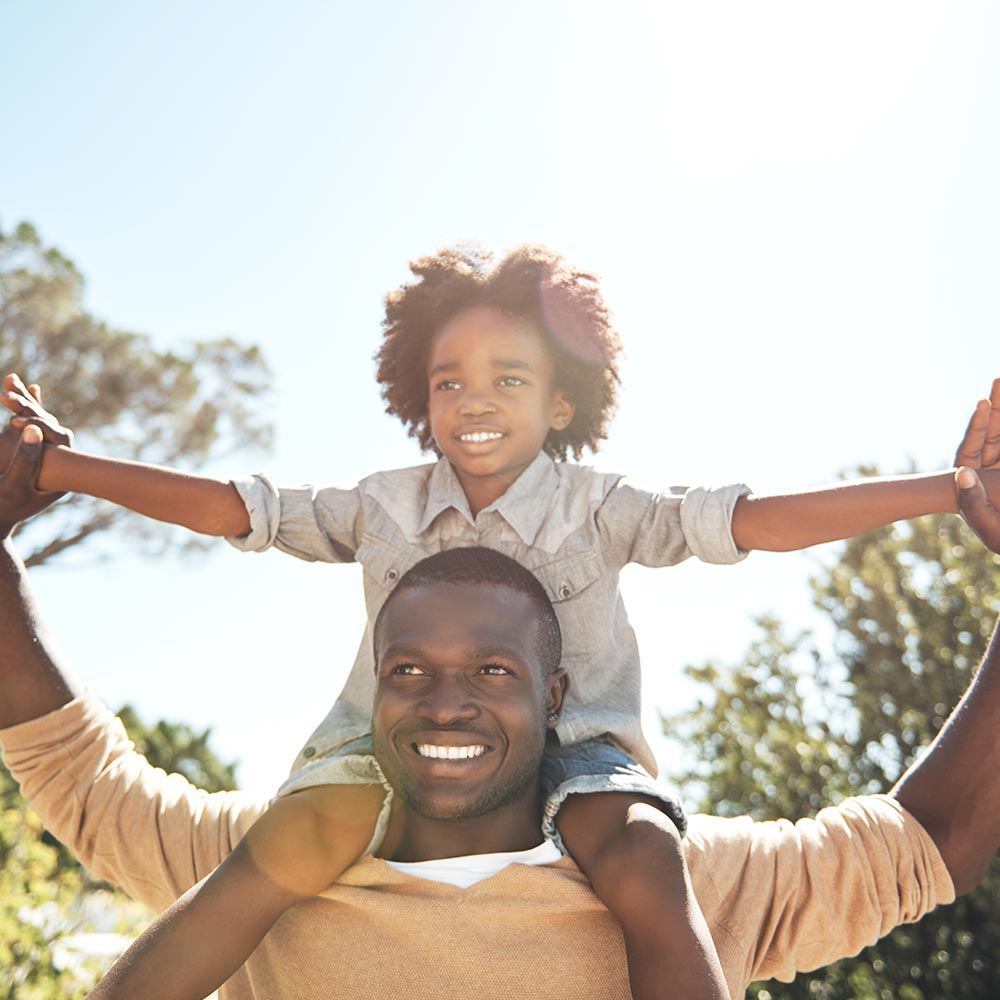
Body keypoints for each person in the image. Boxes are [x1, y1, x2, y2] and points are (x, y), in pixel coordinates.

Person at [4, 248, 1000, 999]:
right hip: (347, 783)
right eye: (450, 380)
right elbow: (234, 510)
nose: (475, 400)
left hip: (598, 765)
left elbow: (752, 522)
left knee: (642, 851)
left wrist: (950, 491)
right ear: (416, 394)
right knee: (280, 850)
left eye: (509, 377)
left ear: (565, 399)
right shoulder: (383, 506)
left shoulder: (603, 513)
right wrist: (51, 471)